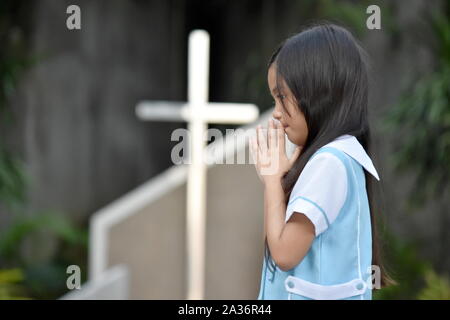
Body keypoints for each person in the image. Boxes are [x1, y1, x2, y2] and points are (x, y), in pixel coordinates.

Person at [250, 23, 393, 300]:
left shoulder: (330, 163)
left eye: (282, 97)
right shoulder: (336, 158)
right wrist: (280, 179)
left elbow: (284, 253)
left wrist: (271, 183)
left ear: (319, 92)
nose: (276, 113)